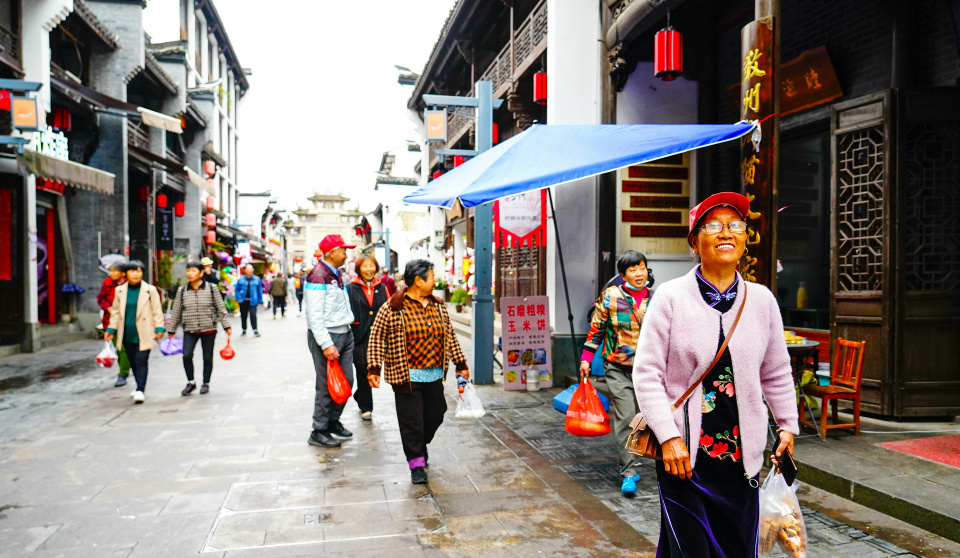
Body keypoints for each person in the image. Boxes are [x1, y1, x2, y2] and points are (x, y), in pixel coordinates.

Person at [632, 192, 799, 557]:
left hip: (742, 462)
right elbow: (647, 373)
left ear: (744, 238)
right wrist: (668, 436)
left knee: (738, 548)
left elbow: (776, 371)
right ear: (694, 241)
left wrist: (787, 424)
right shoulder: (670, 297)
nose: (727, 232)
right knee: (691, 549)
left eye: (735, 225)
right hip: (683, 459)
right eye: (713, 225)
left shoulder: (762, 301)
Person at [367, 259, 469, 485]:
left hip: (433, 374)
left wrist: (460, 364)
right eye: (431, 277)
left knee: (436, 413)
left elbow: (450, 336)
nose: (434, 281)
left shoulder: (438, 306)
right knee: (411, 421)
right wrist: (374, 368)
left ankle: (419, 446)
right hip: (406, 376)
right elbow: (376, 339)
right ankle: (416, 463)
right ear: (418, 281)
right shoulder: (393, 308)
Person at [580, 250, 654, 496]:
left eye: (641, 268)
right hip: (617, 368)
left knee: (644, 419)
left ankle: (631, 458)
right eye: (632, 270)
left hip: (648, 371)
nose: (639, 273)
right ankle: (629, 471)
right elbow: (596, 330)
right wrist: (586, 359)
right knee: (625, 417)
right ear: (623, 276)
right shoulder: (611, 297)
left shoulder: (656, 299)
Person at [305, 235, 357, 449]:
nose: (346, 254)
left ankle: (332, 421)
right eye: (343, 250)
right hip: (328, 336)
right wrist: (326, 344)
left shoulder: (337, 274)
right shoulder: (317, 275)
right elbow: (314, 316)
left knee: (346, 382)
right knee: (326, 385)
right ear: (331, 252)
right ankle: (319, 430)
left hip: (345, 333)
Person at [166, 261, 232, 396]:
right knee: (187, 355)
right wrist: (171, 330)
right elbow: (176, 311)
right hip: (189, 329)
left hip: (209, 328)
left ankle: (205, 383)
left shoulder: (212, 288)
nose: (190, 274)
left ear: (201, 273)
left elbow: (221, 309)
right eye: (188, 270)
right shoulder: (182, 290)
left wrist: (226, 326)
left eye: (193, 271)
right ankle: (191, 382)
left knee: (207, 358)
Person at [104, 261, 164, 404]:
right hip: (127, 332)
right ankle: (139, 385)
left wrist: (159, 327)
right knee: (132, 360)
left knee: (141, 360)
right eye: (132, 271)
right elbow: (116, 312)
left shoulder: (150, 290)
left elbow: (157, 310)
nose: (135, 274)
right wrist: (111, 329)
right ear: (126, 274)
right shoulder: (120, 290)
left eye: (138, 271)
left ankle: (140, 390)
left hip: (145, 331)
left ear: (142, 273)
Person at [347, 255, 389, 421]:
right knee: (363, 371)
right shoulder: (350, 288)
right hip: (359, 336)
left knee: (373, 369)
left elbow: (389, 307)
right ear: (358, 269)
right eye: (365, 266)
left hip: (378, 337)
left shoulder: (382, 286)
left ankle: (360, 395)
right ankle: (366, 406)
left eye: (371, 266)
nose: (369, 270)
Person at [97, 262, 130, 387]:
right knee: (120, 347)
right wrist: (108, 308)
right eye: (110, 271)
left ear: (123, 273)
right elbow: (101, 298)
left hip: (126, 321)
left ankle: (124, 372)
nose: (111, 273)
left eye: (114, 271)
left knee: (124, 348)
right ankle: (123, 372)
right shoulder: (107, 283)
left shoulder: (129, 284)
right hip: (110, 321)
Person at [235, 264, 262, 337]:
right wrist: (239, 298)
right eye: (248, 270)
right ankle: (244, 329)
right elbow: (236, 289)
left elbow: (259, 290)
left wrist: (260, 300)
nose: (250, 271)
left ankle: (255, 330)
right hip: (243, 301)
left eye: (251, 270)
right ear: (245, 271)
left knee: (253, 316)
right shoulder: (241, 279)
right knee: (243, 316)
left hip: (253, 300)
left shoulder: (257, 279)